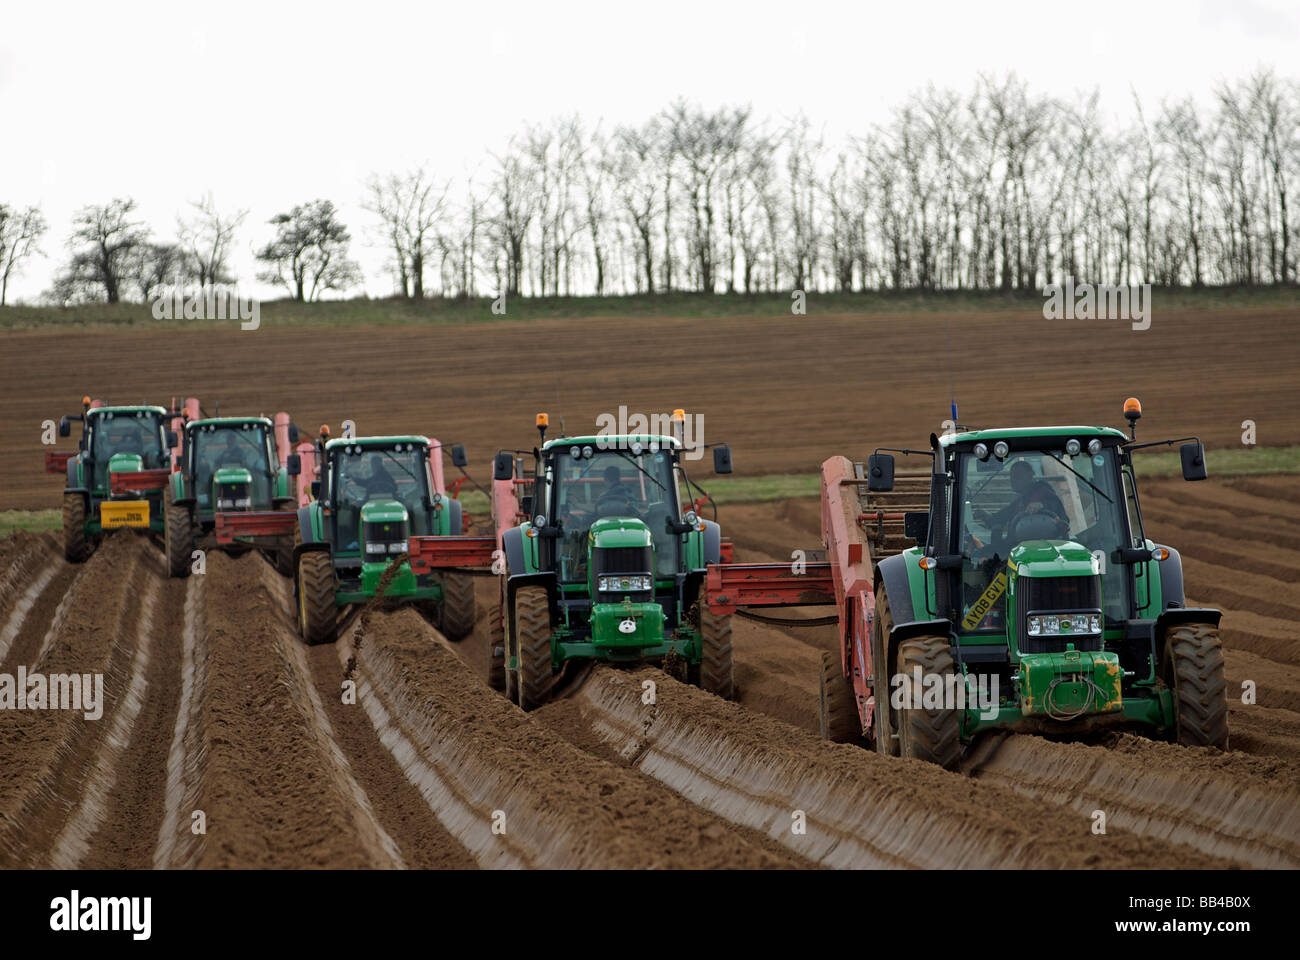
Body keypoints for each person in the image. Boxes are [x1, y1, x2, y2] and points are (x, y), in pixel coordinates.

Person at [976, 460, 1067, 533]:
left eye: (1017, 476)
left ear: (1030, 475)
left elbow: (1059, 512)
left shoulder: (1043, 490)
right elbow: (1001, 517)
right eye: (1011, 477)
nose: (1013, 480)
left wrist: (1042, 504)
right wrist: (986, 515)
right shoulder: (1019, 501)